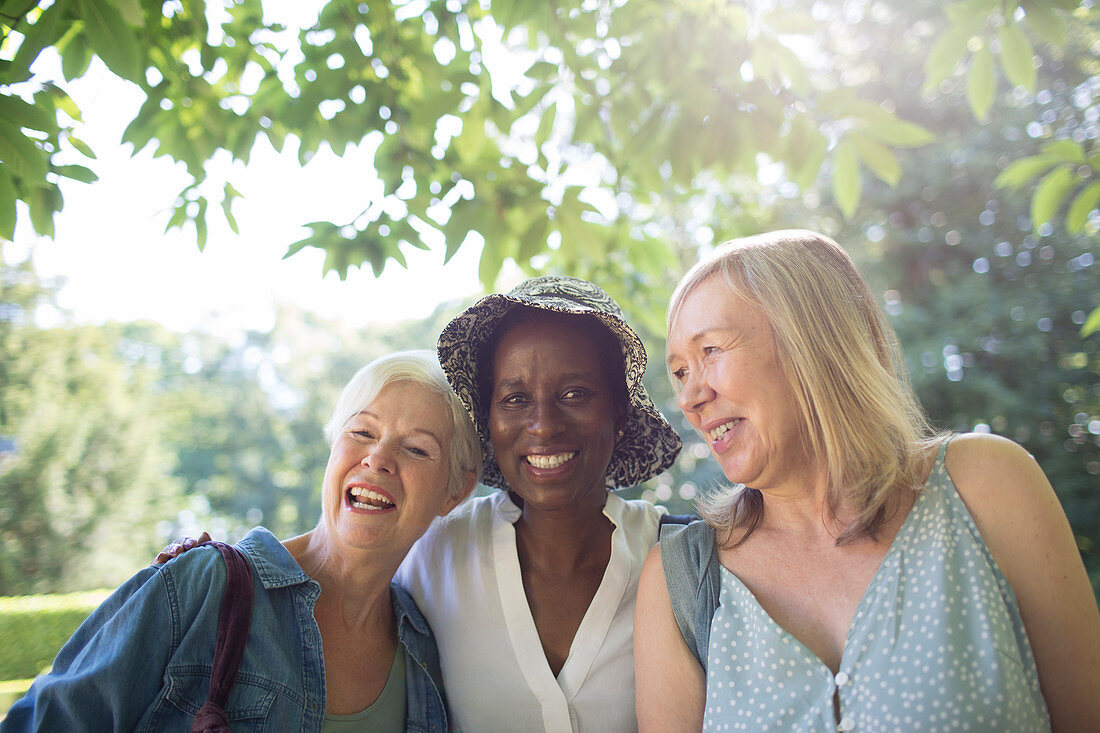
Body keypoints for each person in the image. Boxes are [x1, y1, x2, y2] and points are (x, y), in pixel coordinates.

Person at [634, 229, 1100, 732]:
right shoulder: (681, 579)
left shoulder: (984, 486)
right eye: (680, 371)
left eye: (711, 350)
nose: (689, 397)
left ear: (811, 340)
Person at [3, 350, 481, 732]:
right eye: (362, 431)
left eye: (417, 448)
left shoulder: (422, 646)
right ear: (334, 446)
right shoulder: (199, 585)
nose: (377, 458)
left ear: (455, 491)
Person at [395, 275, 683, 732]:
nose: (543, 426)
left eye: (575, 394)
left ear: (620, 412)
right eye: (515, 399)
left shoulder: (681, 560)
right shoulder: (431, 554)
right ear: (488, 421)